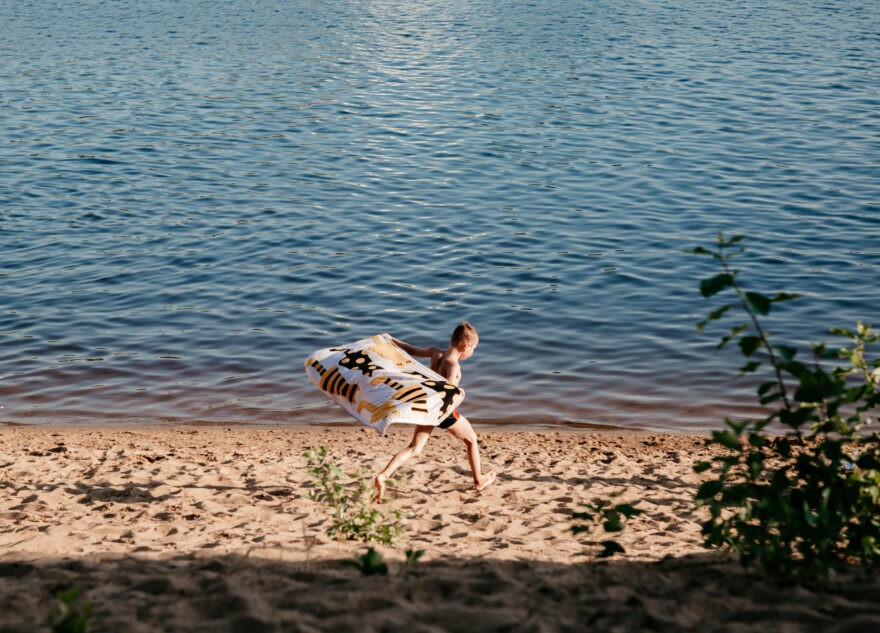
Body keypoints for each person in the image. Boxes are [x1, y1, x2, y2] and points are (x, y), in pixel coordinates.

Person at [373, 321, 496, 502]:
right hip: (443, 413)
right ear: (465, 346)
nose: (472, 352)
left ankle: (383, 475)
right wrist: (461, 394)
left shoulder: (435, 352)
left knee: (414, 448)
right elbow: (448, 395)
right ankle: (479, 480)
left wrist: (390, 339)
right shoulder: (453, 365)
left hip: (427, 409)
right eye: (473, 349)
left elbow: (411, 350)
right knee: (471, 440)